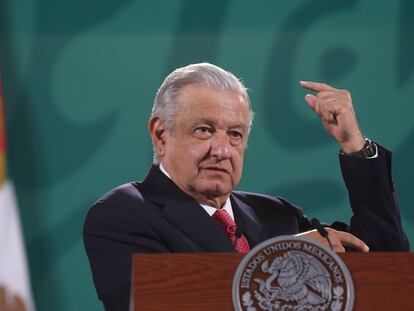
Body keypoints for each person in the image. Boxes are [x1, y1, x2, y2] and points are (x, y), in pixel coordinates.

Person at [83, 63, 409, 310]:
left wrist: (354, 146)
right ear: (160, 134)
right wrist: (285, 257)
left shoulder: (276, 215)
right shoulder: (121, 214)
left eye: (235, 134)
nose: (222, 150)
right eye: (204, 130)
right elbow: (166, 303)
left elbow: (385, 271)